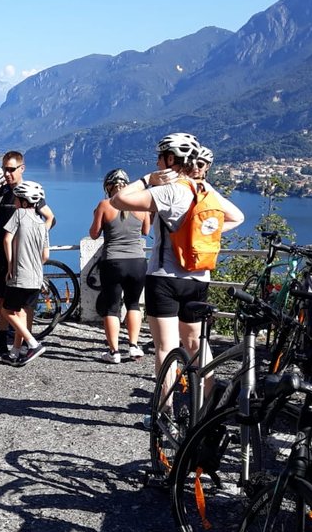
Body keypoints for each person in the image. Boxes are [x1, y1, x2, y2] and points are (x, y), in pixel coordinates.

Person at [111, 133, 244, 381]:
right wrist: (205, 232)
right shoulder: (205, 190)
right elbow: (237, 217)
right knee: (197, 345)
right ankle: (205, 411)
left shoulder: (168, 192)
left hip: (164, 278)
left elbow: (118, 201)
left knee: (166, 348)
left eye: (159, 157)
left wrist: (147, 179)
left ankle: (165, 410)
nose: (157, 162)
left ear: (170, 158)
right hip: (199, 278)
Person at [0, 151, 54, 356]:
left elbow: (49, 217)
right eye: (4, 169)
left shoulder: (29, 192)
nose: (6, 173)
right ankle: (1, 339)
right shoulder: (1, 192)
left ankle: (25, 341)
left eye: (11, 169)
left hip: (22, 257)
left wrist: (36, 240)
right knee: (1, 296)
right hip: (0, 253)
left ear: (21, 168)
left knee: (25, 301)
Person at [89, 168, 151, 363]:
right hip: (138, 262)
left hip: (113, 262)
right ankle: (133, 346)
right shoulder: (142, 206)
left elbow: (93, 234)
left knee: (111, 307)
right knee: (133, 304)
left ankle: (114, 352)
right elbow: (146, 230)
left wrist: (97, 215)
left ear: (108, 187)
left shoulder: (104, 205)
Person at [1, 180, 50, 365]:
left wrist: (11, 265)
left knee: (7, 310)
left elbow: (7, 239)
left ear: (22, 201)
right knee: (21, 311)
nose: (14, 202)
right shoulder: (41, 222)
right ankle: (14, 352)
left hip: (19, 274)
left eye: (16, 199)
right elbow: (45, 255)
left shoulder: (19, 214)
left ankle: (32, 343)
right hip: (36, 277)